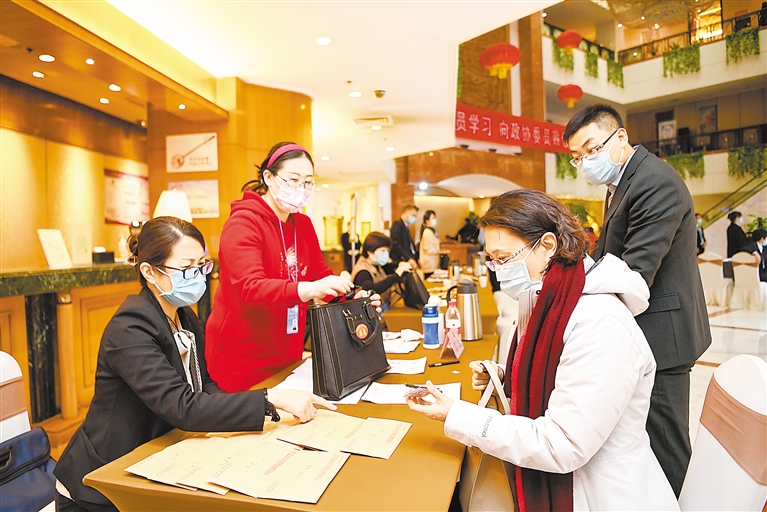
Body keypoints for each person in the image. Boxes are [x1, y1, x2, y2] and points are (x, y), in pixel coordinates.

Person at [407, 190, 678, 511]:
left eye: (503, 258)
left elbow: (563, 444)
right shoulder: (550, 299)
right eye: (492, 259)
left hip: (600, 493)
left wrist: (458, 416)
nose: (497, 269)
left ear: (547, 245)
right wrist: (506, 377)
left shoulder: (600, 322)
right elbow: (561, 374)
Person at [53, 217, 334, 512]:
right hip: (101, 481)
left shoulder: (183, 315)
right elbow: (182, 406)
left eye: (202, 265)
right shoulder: (130, 327)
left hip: (154, 458)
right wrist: (267, 399)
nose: (198, 276)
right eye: (187, 268)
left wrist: (264, 411)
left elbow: (204, 386)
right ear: (149, 272)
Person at [564, 104, 710, 496]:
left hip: (663, 335)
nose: (586, 161)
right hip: (647, 329)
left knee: (666, 445)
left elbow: (633, 271)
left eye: (592, 149)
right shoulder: (623, 182)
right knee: (648, 440)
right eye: (577, 157)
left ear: (621, 136)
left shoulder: (653, 181)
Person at [205, 142, 376, 392]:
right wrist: (309, 289)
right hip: (243, 354)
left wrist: (351, 296)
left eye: (307, 183)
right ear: (268, 177)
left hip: (287, 352)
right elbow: (250, 288)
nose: (301, 189)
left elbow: (320, 277)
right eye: (293, 180)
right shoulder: (243, 223)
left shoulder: (303, 225)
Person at [351, 231, 411, 311]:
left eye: (387, 251)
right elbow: (373, 288)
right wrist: (396, 274)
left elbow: (388, 267)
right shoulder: (362, 271)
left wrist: (400, 264)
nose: (386, 254)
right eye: (383, 250)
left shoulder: (375, 265)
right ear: (370, 252)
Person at [390, 204, 419, 269]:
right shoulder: (397, 225)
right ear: (407, 214)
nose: (414, 218)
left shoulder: (406, 227)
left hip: (408, 260)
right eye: (413, 215)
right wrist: (408, 258)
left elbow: (410, 245)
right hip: (400, 260)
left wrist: (416, 258)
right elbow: (396, 243)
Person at [418, 210, 440, 278]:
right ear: (427, 221)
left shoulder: (431, 232)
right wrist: (440, 252)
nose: (434, 220)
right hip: (429, 265)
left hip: (432, 264)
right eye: (432, 218)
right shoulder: (427, 232)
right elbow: (429, 249)